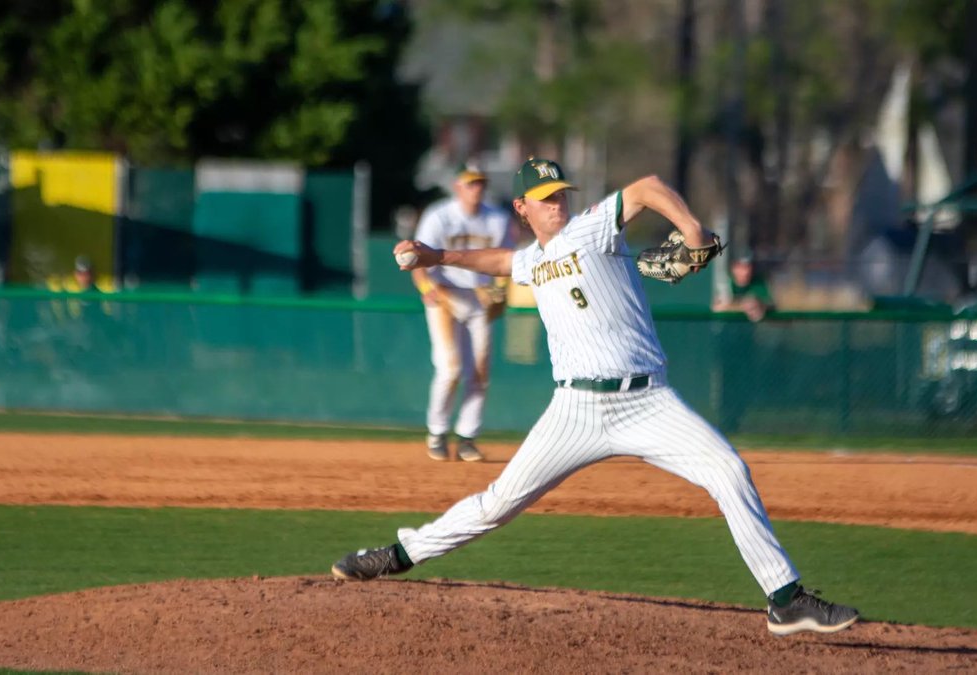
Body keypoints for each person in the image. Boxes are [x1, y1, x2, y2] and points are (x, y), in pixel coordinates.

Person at [330, 158, 859, 637]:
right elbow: (502, 261)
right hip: (575, 411)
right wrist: (435, 255)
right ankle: (398, 554)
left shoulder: (591, 227)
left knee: (729, 472)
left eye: (561, 192)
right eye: (545, 197)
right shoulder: (533, 260)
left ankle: (785, 600)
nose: (557, 202)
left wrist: (691, 230)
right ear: (522, 208)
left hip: (648, 401)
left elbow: (647, 186)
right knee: (497, 504)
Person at [409, 162, 516, 462]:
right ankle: (437, 432)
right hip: (444, 295)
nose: (475, 189)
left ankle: (468, 437)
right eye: (470, 183)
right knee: (450, 369)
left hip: (479, 298)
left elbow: (506, 260)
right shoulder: (439, 216)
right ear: (457, 186)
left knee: (480, 372)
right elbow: (416, 257)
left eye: (479, 183)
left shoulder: (496, 219)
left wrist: (500, 290)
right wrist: (425, 287)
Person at [713, 256, 773, 323]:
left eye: (748, 267)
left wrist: (760, 305)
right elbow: (717, 307)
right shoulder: (724, 283)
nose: (745, 272)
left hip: (747, 327)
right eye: (740, 267)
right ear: (732, 268)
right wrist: (741, 306)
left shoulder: (757, 282)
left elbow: (769, 303)